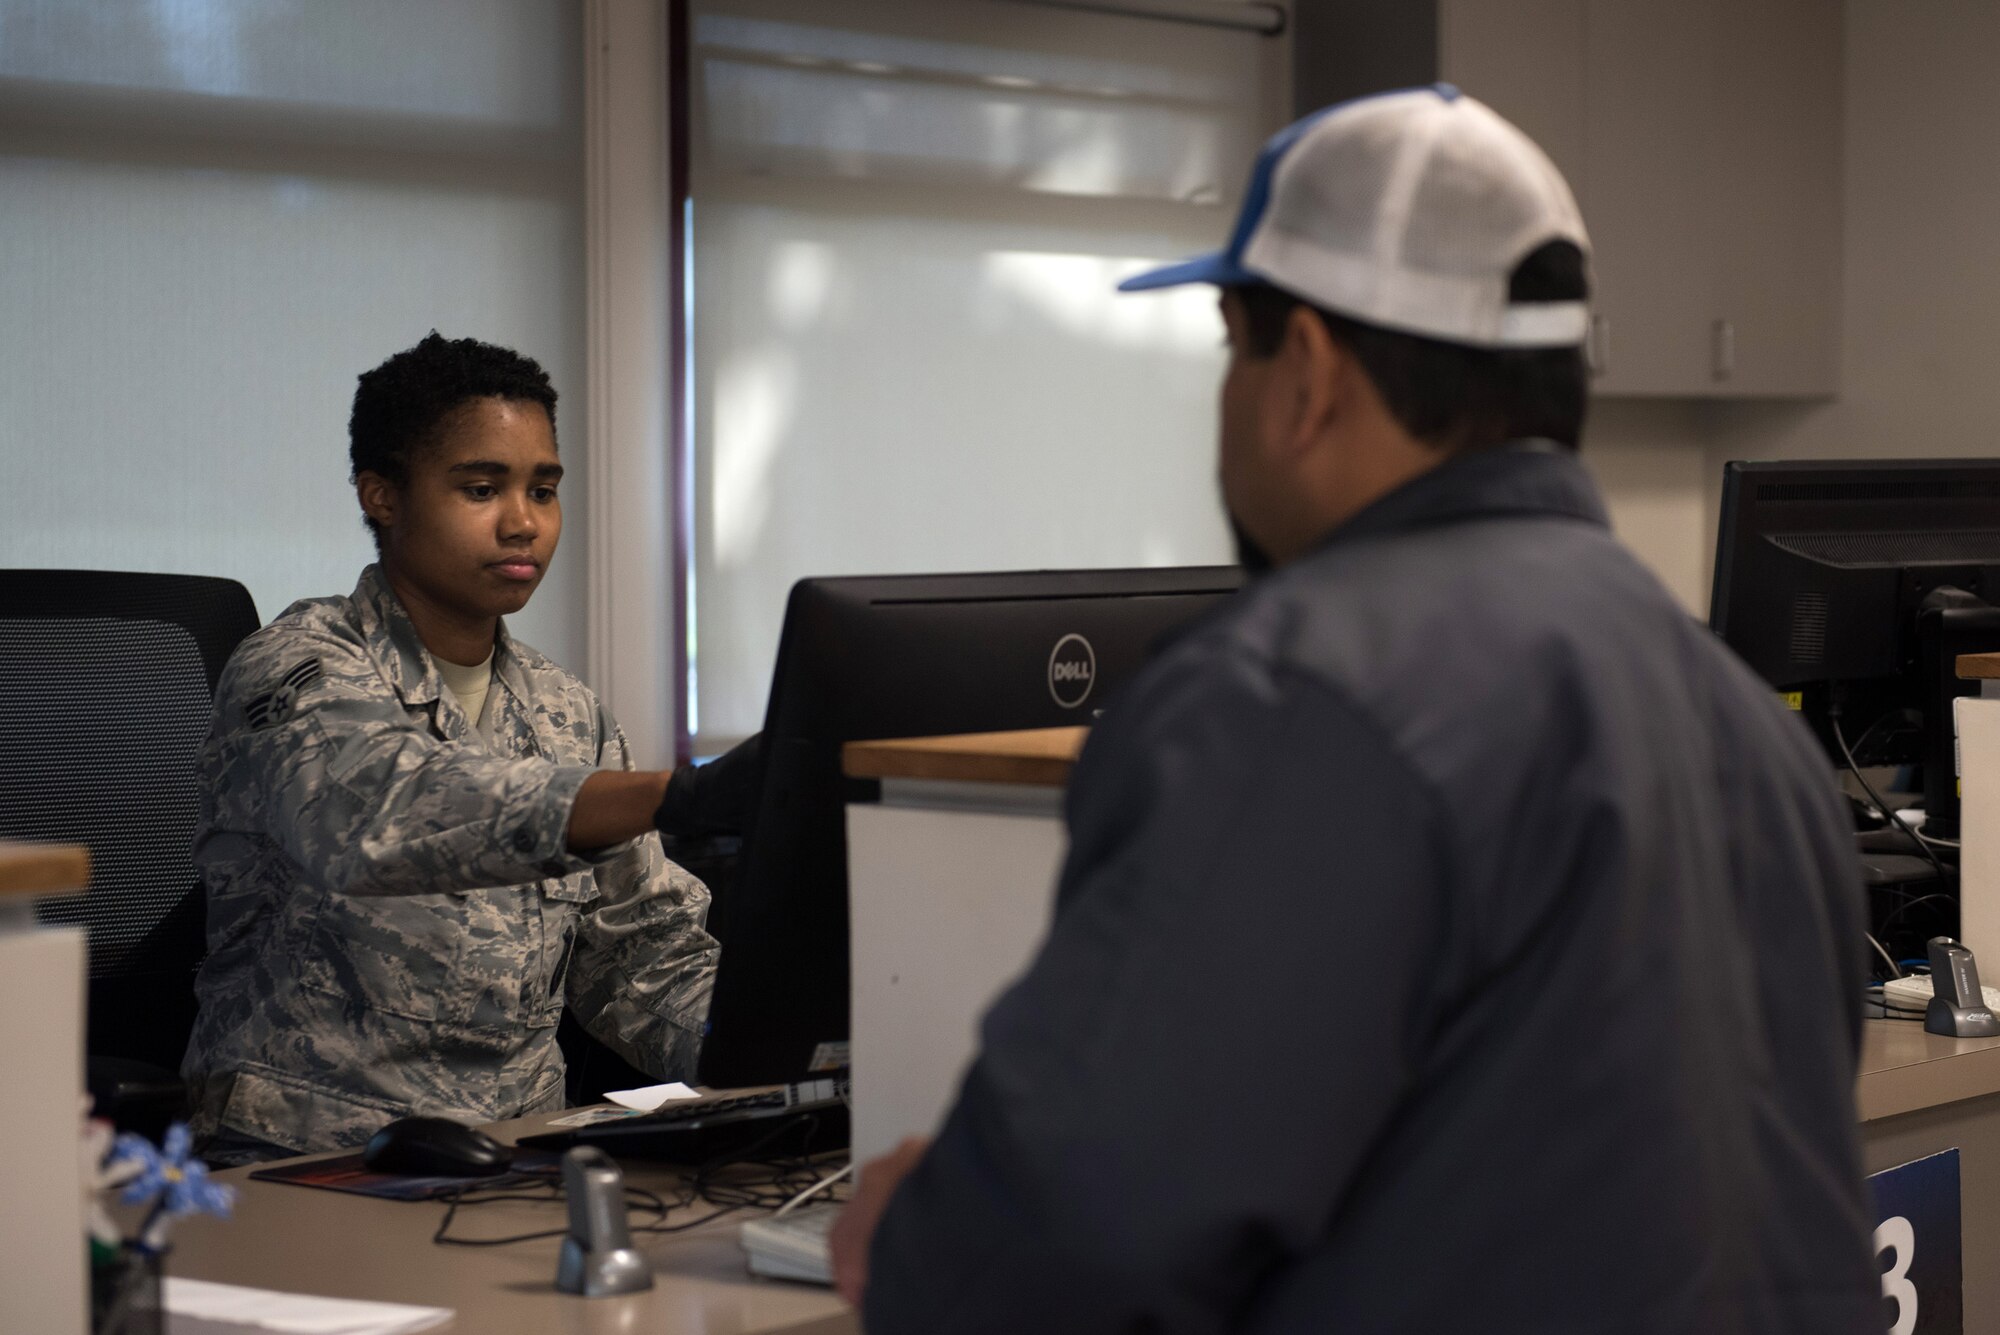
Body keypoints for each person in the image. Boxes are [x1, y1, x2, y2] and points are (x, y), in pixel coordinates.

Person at [831, 88, 1880, 1331]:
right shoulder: (1737, 711)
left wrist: (912, 1238)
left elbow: (1060, 1250)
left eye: (1232, 344)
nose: (1223, 402)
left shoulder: (1289, 701)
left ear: (1307, 375)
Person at [183, 333, 755, 1165]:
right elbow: (384, 810)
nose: (524, 522)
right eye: (482, 488)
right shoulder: (295, 667)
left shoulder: (570, 712)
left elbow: (642, 956)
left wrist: (788, 1061)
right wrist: (676, 793)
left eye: (545, 489)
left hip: (518, 1155)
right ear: (382, 496)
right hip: (310, 1161)